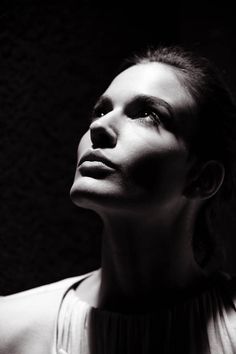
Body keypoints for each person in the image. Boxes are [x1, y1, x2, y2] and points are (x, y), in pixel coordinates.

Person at [0, 45, 236, 354]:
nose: (98, 127)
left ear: (202, 179)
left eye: (147, 114)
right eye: (100, 110)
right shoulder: (10, 327)